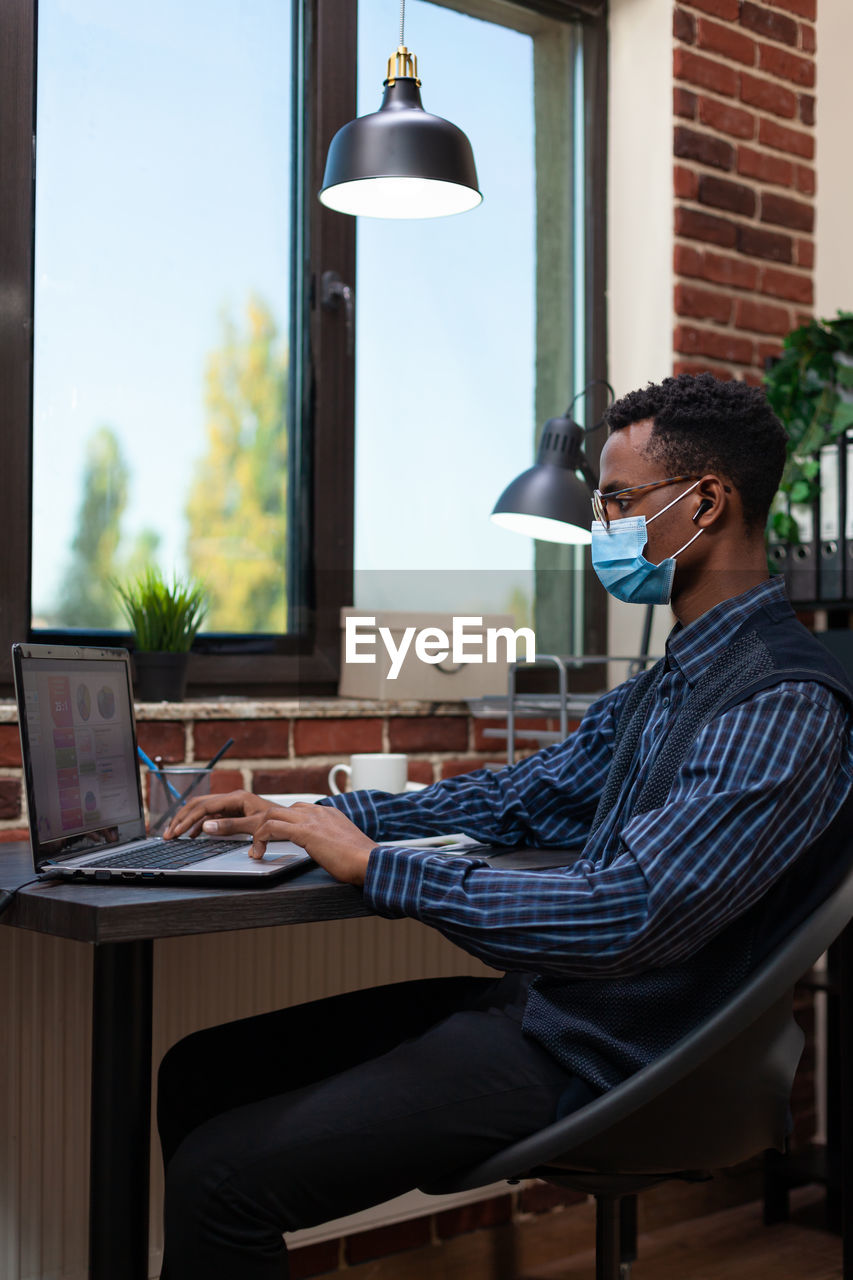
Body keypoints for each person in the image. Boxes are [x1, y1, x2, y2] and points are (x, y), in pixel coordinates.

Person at [157, 373, 853, 1279]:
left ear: (707, 502)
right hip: (557, 1009)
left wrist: (378, 868)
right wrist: (317, 815)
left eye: (616, 500)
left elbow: (627, 913)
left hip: (619, 1052)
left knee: (223, 1181)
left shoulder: (781, 702)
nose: (601, 525)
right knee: (200, 1071)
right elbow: (514, 798)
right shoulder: (670, 682)